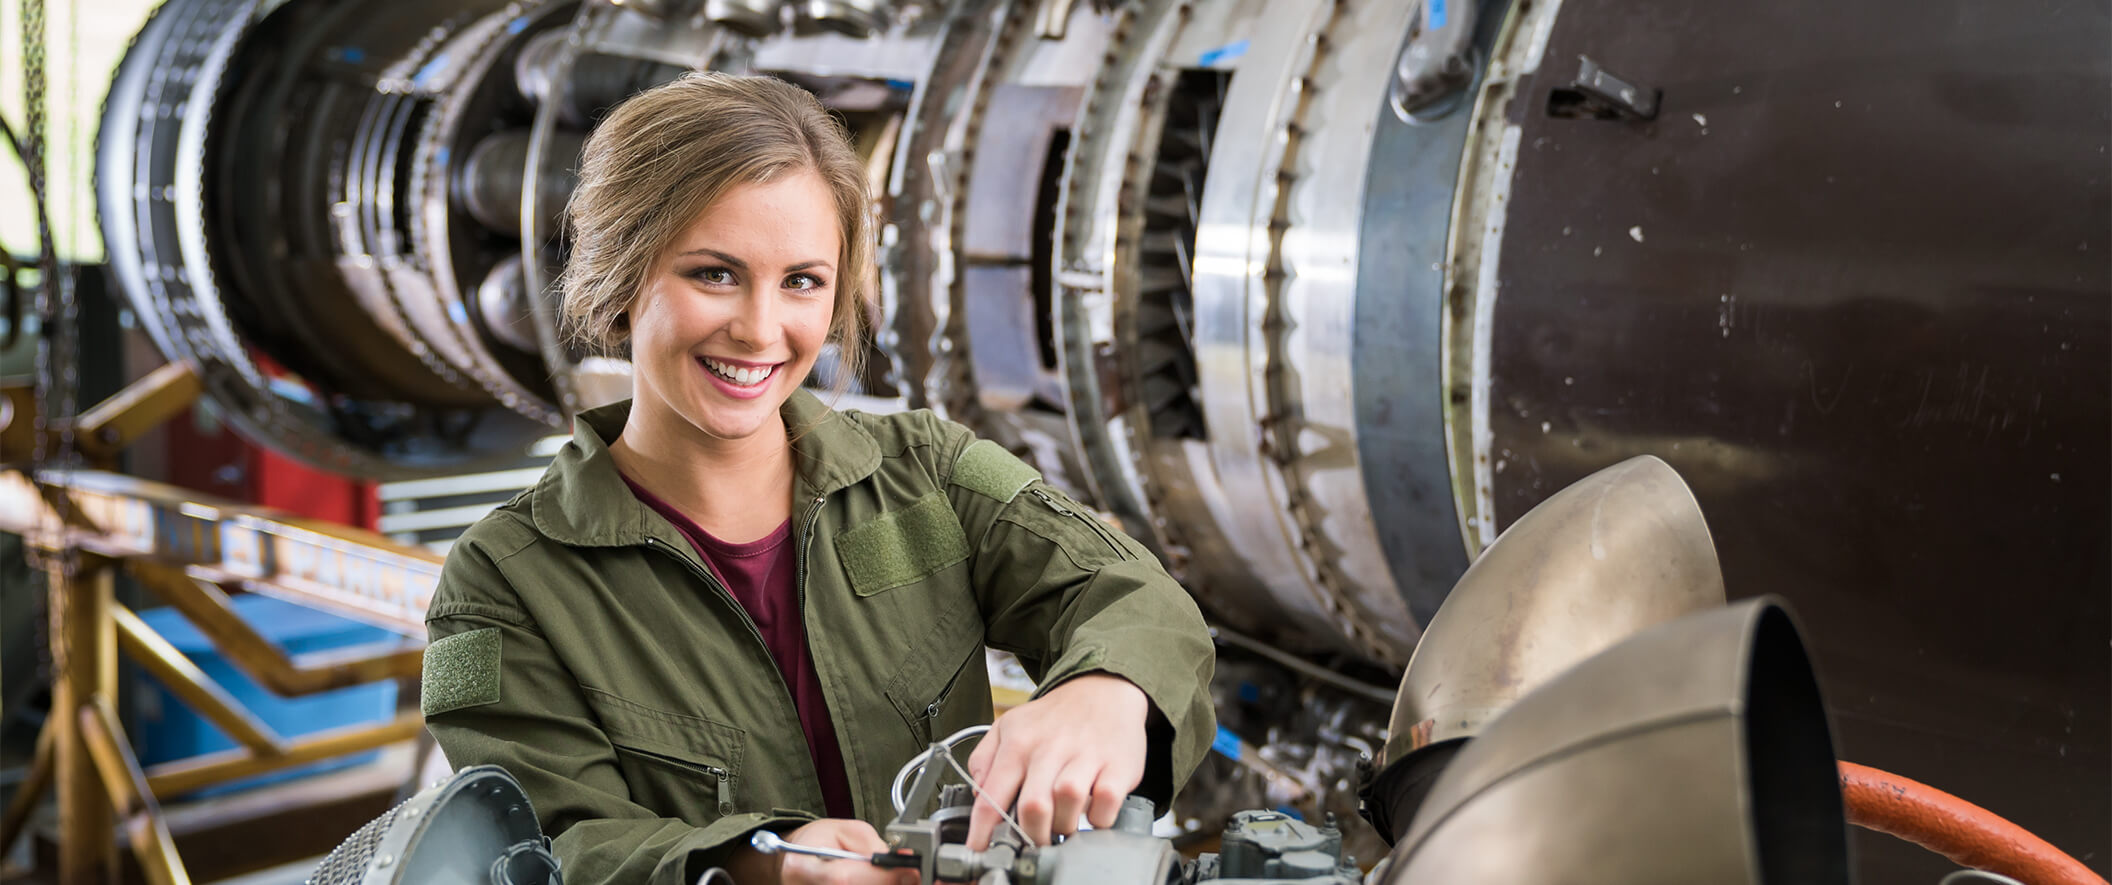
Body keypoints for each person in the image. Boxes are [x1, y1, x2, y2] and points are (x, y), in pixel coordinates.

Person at [420, 71, 1217, 885]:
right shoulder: (501, 587)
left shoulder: (928, 473)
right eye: (714, 274)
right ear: (622, 279)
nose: (761, 329)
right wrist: (761, 867)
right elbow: (548, 849)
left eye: (802, 281)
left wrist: (1109, 687)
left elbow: (1133, 595)